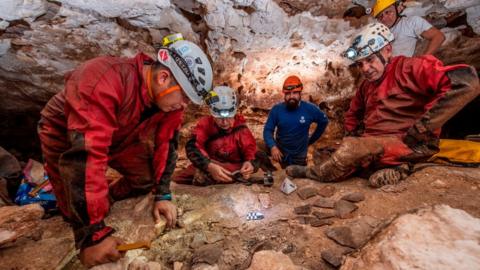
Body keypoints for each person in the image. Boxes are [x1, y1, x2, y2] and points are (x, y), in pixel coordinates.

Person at [37, 34, 215, 267]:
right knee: (73, 207)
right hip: (67, 133)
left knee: (145, 179)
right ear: (163, 77)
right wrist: (93, 236)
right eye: (184, 97)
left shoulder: (168, 105)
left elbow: (167, 145)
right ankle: (88, 220)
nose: (184, 105)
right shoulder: (103, 78)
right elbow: (86, 157)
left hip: (121, 133)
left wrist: (162, 194)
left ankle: (104, 199)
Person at [286, 22, 479, 187]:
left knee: (350, 151)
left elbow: (466, 83)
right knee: (325, 152)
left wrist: (423, 127)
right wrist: (352, 135)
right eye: (360, 64)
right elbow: (353, 113)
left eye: (369, 60)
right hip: (375, 143)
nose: (365, 69)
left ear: (387, 50)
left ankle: (314, 174)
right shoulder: (366, 86)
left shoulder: (411, 67)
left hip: (407, 142)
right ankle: (382, 168)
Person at [174, 86, 275, 185]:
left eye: (229, 117)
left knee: (246, 168)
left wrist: (250, 163)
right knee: (179, 178)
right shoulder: (205, 125)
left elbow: (251, 149)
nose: (225, 122)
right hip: (211, 163)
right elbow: (193, 148)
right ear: (213, 115)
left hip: (235, 166)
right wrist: (209, 166)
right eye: (219, 118)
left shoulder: (240, 128)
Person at [263, 75, 329, 168]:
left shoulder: (309, 109)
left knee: (296, 178)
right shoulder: (276, 110)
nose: (291, 96)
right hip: (280, 154)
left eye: (294, 93)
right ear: (284, 95)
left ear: (300, 93)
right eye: (288, 93)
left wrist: (310, 140)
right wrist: (273, 147)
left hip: (299, 157)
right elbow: (268, 130)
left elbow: (323, 121)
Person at [373, 0, 445, 57]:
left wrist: (422, 60)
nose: (384, 18)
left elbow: (439, 36)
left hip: (403, 70)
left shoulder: (412, 22)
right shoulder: (380, 33)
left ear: (398, 8)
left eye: (388, 12)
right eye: (380, 16)